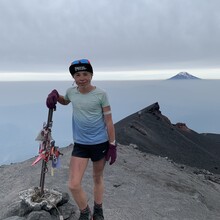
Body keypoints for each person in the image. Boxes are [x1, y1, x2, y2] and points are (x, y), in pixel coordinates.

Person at [46, 59, 117, 220]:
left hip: (100, 143)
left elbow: (109, 121)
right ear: (74, 77)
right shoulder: (72, 92)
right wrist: (55, 96)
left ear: (91, 74)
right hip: (81, 144)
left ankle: (98, 211)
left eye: (85, 73)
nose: (82, 77)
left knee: (97, 178)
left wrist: (112, 145)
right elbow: (66, 101)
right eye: (77, 74)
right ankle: (85, 213)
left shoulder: (101, 94)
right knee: (73, 184)